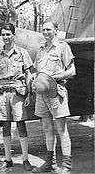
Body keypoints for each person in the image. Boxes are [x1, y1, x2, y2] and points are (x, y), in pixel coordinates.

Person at [32, 20, 76, 174]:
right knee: (47, 129)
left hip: (57, 92)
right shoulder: (41, 49)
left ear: (56, 30)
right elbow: (38, 71)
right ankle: (50, 163)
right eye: (43, 29)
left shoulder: (63, 47)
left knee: (61, 129)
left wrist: (55, 77)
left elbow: (72, 71)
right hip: (42, 94)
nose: (45, 32)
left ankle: (66, 166)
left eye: (49, 29)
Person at [0, 23, 33, 172]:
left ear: (14, 35)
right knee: (5, 127)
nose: (6, 37)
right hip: (2, 94)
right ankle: (8, 160)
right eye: (3, 35)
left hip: (17, 93)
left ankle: (25, 159)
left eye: (8, 34)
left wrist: (29, 93)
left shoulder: (22, 53)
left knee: (21, 125)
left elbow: (28, 74)